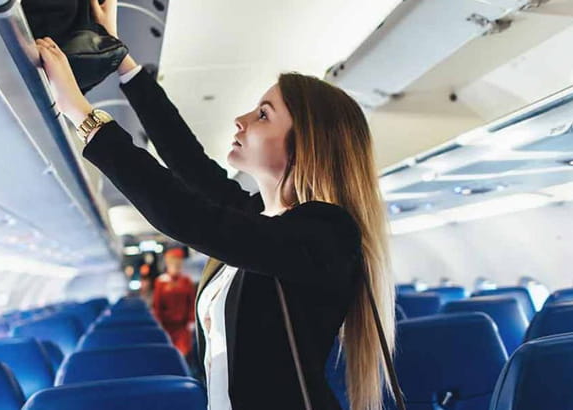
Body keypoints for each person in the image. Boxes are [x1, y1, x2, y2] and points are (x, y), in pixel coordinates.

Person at [35, 1, 396, 408]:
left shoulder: (327, 234)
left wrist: (83, 115)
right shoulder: (263, 219)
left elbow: (186, 217)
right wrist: (124, 62)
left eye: (263, 115)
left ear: (306, 144)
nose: (241, 119)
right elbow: (188, 163)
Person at [152, 248, 196, 355]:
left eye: (179, 264)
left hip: (183, 327)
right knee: (168, 352)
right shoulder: (161, 282)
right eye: (174, 264)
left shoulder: (186, 281)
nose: (176, 267)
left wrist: (191, 321)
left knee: (183, 353)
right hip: (166, 326)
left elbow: (191, 302)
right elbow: (157, 306)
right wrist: (158, 325)